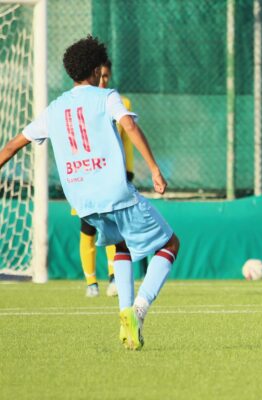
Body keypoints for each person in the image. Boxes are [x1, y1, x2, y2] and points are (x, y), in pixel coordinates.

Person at [0, 36, 180, 351]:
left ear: (71, 72)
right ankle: (139, 309)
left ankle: (126, 314)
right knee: (170, 244)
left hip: (83, 202)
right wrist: (154, 169)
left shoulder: (54, 109)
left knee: (121, 244)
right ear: (97, 70)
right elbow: (131, 127)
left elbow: (13, 145)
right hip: (115, 192)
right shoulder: (106, 96)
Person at [74, 60, 136, 298]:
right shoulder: (78, 106)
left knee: (114, 228)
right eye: (99, 75)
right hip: (86, 179)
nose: (103, 80)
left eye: (107, 76)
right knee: (87, 230)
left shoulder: (120, 103)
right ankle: (91, 282)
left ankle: (114, 278)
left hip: (113, 180)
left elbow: (127, 142)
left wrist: (128, 172)